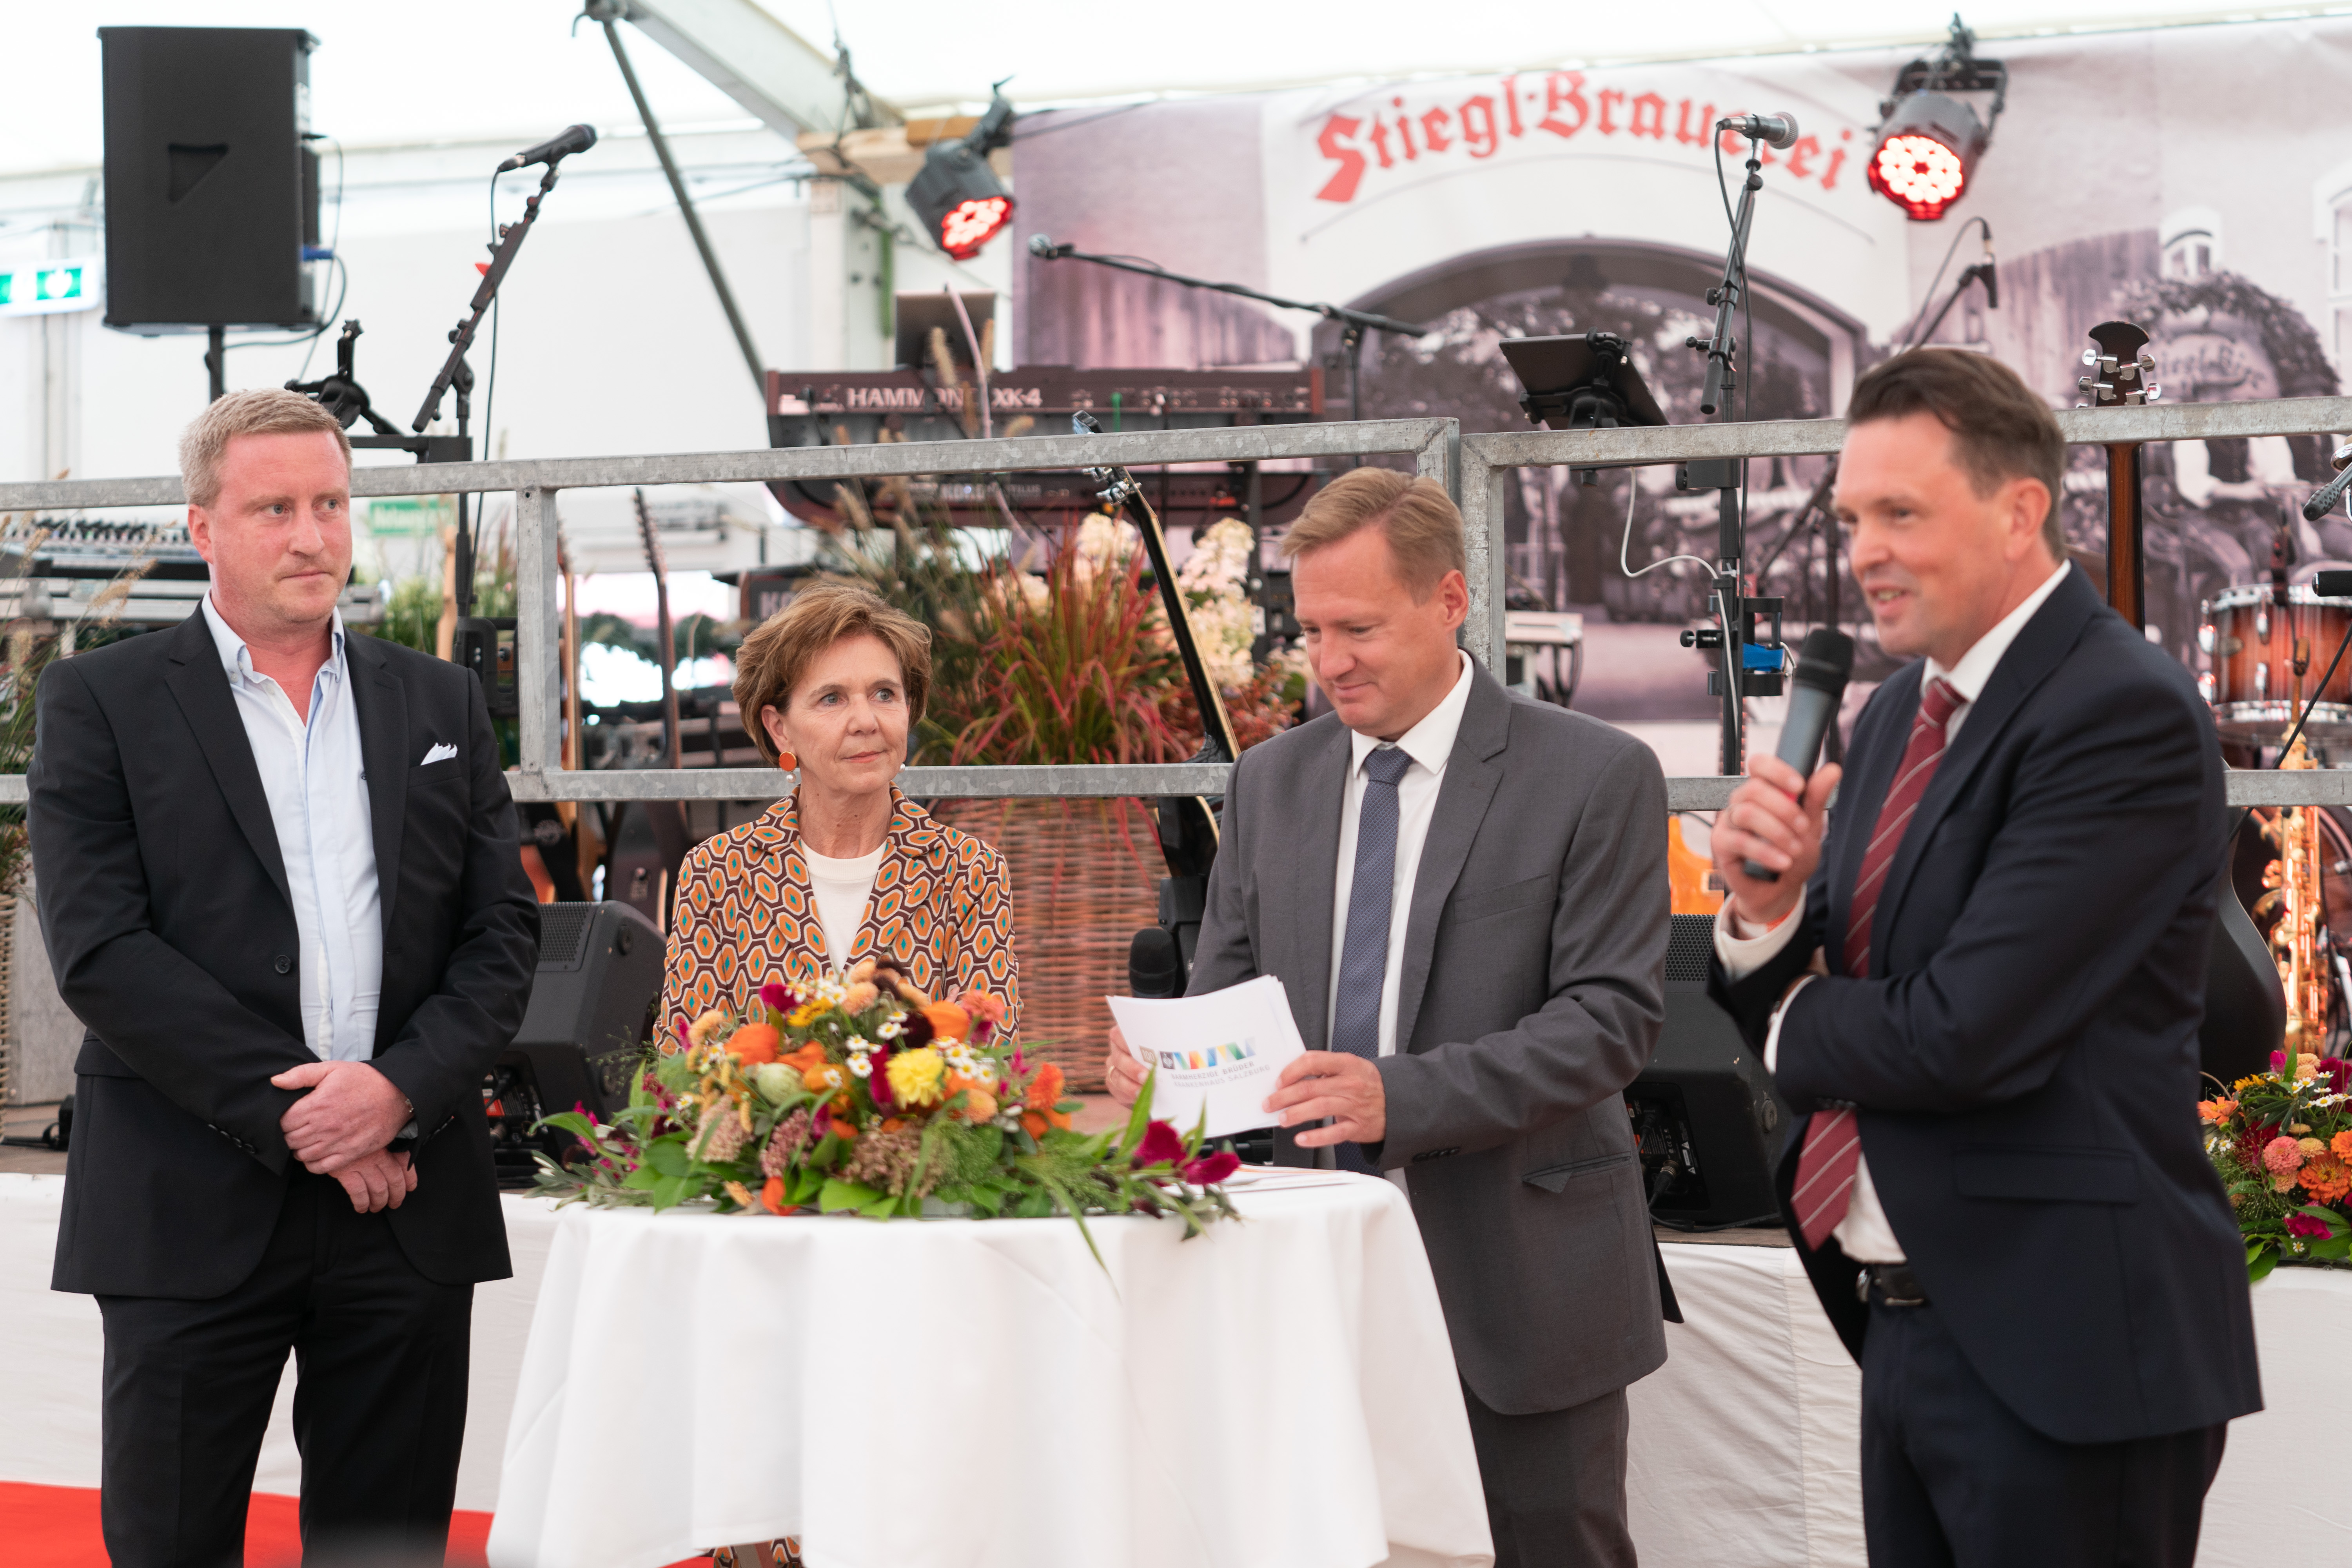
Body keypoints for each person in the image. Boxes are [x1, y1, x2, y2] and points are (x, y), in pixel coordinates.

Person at [1706, 348, 2261, 1567]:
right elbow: (1855, 984)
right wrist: (1764, 912)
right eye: (1852, 516)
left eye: (1900, 512)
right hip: (1907, 1319)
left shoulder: (2116, 707)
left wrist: (1798, 1020)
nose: (1862, 550)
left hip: (2065, 1347)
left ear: (2017, 510)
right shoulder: (1897, 712)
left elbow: (1964, 1032)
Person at [1104, 468, 1671, 1568]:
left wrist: (1395, 1095)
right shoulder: (1269, 782)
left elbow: (1609, 1022)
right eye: (1312, 629)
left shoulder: (1598, 773)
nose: (1329, 663)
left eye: (1358, 627)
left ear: (1451, 601)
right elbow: (1229, 1000)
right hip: (1300, 1285)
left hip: (1525, 1284)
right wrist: (1171, 1079)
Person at [31, 388, 541, 1565]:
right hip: (187, 1201)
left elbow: (502, 931)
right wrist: (310, 1114)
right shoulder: (101, 702)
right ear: (204, 525)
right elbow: (102, 950)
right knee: (171, 1544)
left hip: (405, 1204)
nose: (311, 534)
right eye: (274, 508)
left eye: (329, 503)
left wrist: (397, 1093)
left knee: (385, 1549)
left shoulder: (438, 699)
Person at [662, 581, 1017, 1036]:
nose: (866, 722)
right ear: (780, 729)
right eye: (832, 698)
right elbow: (684, 1070)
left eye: (885, 694)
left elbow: (991, 1062)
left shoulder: (970, 871)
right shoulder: (717, 873)